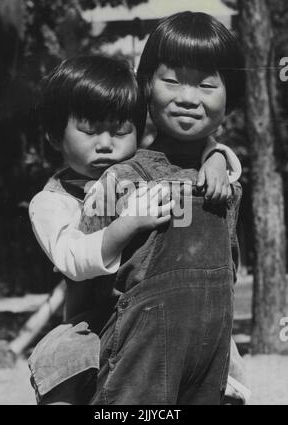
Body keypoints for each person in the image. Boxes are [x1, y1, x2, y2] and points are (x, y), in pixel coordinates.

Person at [28, 52, 243, 404]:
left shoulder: (139, 170)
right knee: (59, 358)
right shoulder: (51, 201)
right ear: (55, 134)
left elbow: (190, 149)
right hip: (93, 316)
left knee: (220, 356)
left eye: (121, 131)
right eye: (89, 130)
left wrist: (217, 157)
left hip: (158, 306)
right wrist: (128, 224)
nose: (106, 144)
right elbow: (72, 257)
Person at [78, 12, 246, 405]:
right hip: (137, 368)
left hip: (208, 360)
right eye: (171, 80)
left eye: (207, 85)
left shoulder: (229, 185)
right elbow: (84, 282)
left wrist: (218, 156)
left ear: (230, 97)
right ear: (146, 85)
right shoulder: (120, 178)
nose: (188, 98)